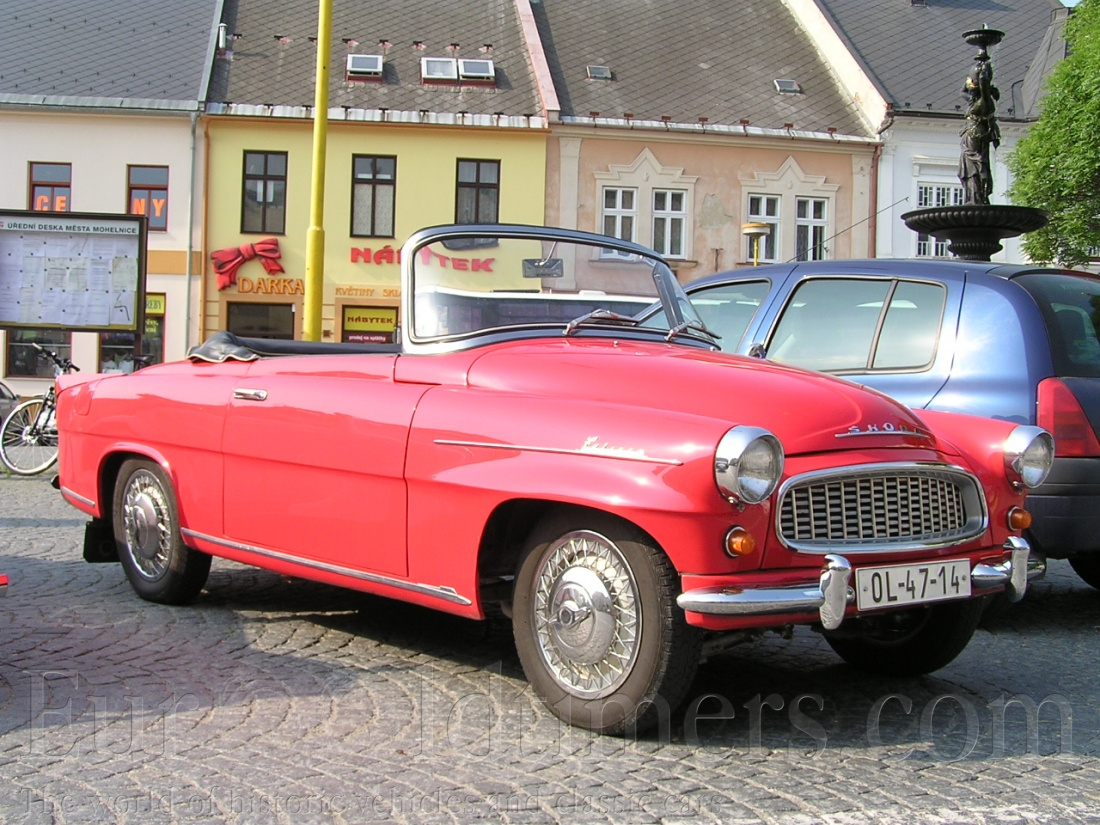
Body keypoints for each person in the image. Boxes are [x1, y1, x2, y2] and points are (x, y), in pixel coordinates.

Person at [958, 61, 1001, 204]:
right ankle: (974, 197)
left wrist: (982, 73)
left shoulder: (984, 101)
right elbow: (962, 91)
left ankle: (977, 197)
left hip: (975, 134)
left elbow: (982, 83)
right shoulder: (978, 101)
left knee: (975, 166)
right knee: (972, 167)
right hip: (972, 133)